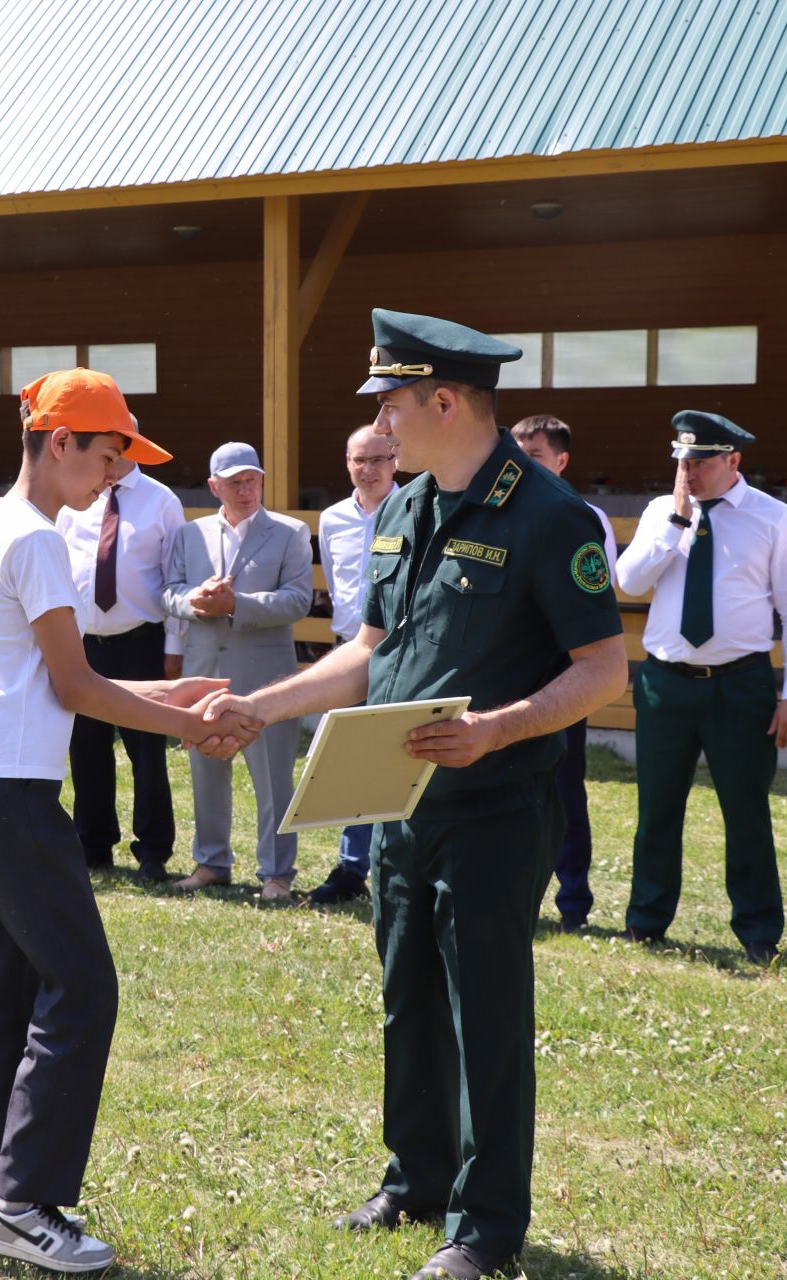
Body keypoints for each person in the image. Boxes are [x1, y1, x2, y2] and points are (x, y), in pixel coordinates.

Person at [198, 311, 627, 1280]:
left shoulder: (548, 516)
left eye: (392, 405)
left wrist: (498, 728)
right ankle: (415, 1180)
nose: (380, 427)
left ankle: (485, 1226)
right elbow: (370, 651)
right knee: (409, 1003)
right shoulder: (401, 508)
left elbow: (602, 669)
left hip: (498, 805)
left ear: (445, 400)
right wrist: (260, 707)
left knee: (486, 1011)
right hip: (396, 799)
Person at [0, 368, 257, 1273]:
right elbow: (76, 685)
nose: (113, 475)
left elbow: (52, 678)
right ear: (62, 441)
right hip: (11, 793)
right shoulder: (36, 539)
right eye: (108, 455)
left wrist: (169, 691)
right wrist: (188, 722)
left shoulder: (3, 525)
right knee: (81, 986)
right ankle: (24, 1201)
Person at [613, 412, 787, 962]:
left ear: (733, 461)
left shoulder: (774, 519)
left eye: (699, 462)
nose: (688, 472)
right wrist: (675, 525)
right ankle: (646, 919)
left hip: (739, 684)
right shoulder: (662, 511)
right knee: (657, 807)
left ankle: (758, 931)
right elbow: (627, 583)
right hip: (665, 683)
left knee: (745, 808)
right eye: (681, 460)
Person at [164, 442, 314, 899]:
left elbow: (298, 599)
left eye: (252, 480)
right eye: (235, 482)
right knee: (206, 771)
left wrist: (237, 605)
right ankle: (211, 863)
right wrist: (194, 601)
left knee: (273, 778)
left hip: (267, 675)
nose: (246, 489)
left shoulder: (290, 532)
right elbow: (168, 591)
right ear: (214, 487)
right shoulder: (189, 535)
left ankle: (277, 874)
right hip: (205, 671)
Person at [54, 444, 187, 879]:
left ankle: (152, 852)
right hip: (84, 643)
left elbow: (174, 577)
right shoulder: (76, 500)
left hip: (140, 643)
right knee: (86, 748)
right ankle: (92, 845)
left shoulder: (161, 501)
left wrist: (173, 647)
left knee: (147, 752)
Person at [510, 414, 618, 932]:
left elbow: (596, 601)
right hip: (506, 674)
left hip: (561, 676)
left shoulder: (584, 517)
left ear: (561, 461)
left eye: (532, 455)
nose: (518, 461)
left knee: (565, 789)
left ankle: (573, 900)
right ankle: (515, 891)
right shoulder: (497, 509)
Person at [307, 423, 398, 906]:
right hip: (350, 650)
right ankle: (352, 867)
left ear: (396, 461)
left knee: (401, 755)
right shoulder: (334, 518)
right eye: (359, 460)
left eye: (379, 459)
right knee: (351, 756)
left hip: (401, 652)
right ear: (347, 463)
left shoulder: (415, 511)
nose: (369, 469)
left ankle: (397, 861)